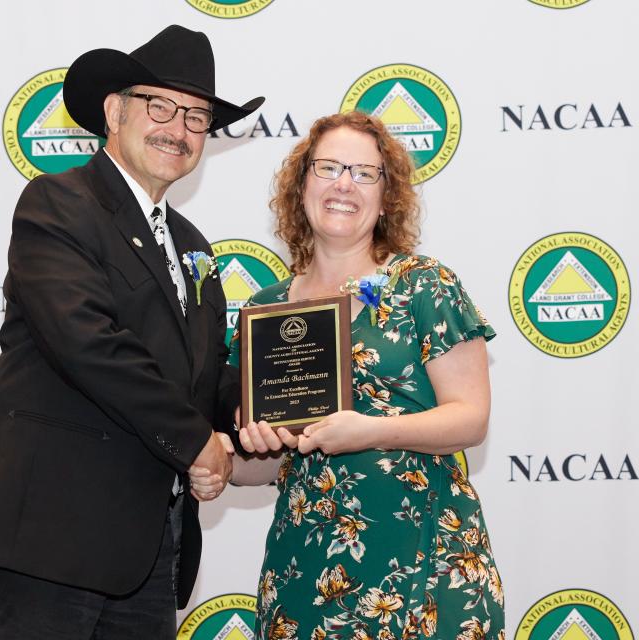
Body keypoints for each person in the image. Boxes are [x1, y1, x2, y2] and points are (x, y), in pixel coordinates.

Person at [0, 25, 263, 639]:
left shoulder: (193, 246)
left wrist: (272, 417)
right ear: (114, 111)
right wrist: (194, 443)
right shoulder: (57, 204)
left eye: (197, 117)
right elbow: (88, 343)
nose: (178, 129)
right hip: (52, 544)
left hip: (151, 552)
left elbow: (205, 380)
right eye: (160, 105)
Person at [204, 111, 505, 640]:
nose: (345, 183)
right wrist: (236, 456)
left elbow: (471, 418)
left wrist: (370, 431)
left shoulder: (423, 285)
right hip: (305, 571)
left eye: (365, 173)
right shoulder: (267, 310)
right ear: (301, 186)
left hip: (424, 565)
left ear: (387, 197)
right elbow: (266, 466)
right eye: (328, 168)